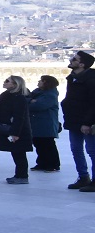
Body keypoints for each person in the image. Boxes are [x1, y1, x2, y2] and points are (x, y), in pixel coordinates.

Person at [61, 51, 95, 190]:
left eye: (74, 59)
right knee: (76, 149)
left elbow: (93, 103)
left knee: (92, 151)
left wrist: (87, 122)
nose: (71, 60)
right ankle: (83, 177)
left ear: (81, 64)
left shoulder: (91, 79)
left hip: (87, 122)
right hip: (74, 121)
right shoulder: (72, 78)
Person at [0, 75, 33, 184]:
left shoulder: (19, 98)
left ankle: (22, 176)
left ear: (15, 84)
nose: (5, 82)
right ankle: (19, 175)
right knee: (15, 152)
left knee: (19, 153)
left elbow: (19, 116)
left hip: (18, 129)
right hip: (10, 127)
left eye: (8, 81)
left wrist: (15, 133)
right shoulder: (5, 96)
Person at [28, 75, 62, 173]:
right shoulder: (37, 92)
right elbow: (27, 99)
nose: (38, 82)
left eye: (41, 81)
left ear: (46, 83)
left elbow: (39, 105)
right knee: (39, 144)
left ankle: (53, 164)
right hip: (37, 124)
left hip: (46, 124)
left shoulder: (50, 94)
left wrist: (32, 103)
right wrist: (31, 101)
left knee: (48, 145)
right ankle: (42, 163)